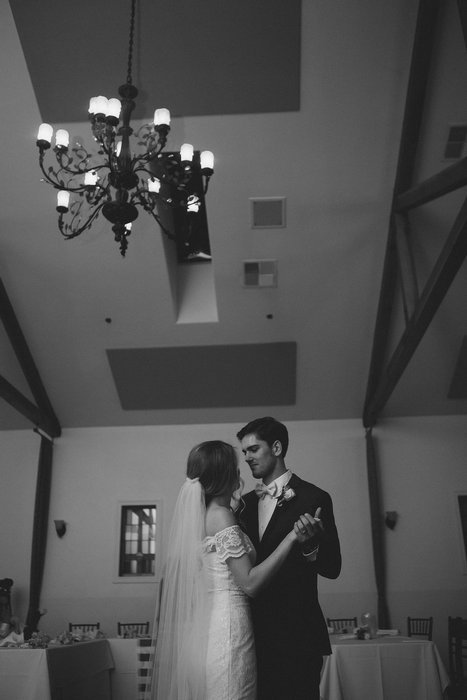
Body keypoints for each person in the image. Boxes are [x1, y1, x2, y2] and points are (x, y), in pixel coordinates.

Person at [150, 439, 315, 700]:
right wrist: (291, 538)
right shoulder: (221, 517)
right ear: (227, 474)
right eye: (235, 467)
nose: (241, 472)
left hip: (214, 624)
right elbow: (249, 583)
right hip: (229, 627)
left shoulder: (209, 515)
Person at [237, 417, 342, 700]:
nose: (246, 457)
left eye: (253, 449)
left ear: (277, 447)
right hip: (252, 637)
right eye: (244, 451)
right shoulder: (243, 505)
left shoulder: (315, 497)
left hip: (298, 635)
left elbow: (333, 568)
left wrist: (310, 549)